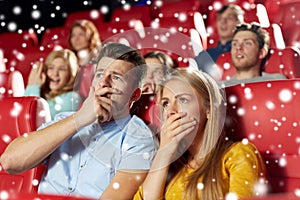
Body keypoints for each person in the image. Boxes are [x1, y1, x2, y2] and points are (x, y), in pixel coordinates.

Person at [1, 42, 156, 199]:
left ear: (135, 95)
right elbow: (9, 162)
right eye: (100, 74)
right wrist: (79, 119)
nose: (104, 83)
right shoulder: (65, 120)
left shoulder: (140, 139)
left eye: (116, 77)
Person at [134, 68, 268, 199]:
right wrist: (163, 153)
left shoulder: (238, 154)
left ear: (208, 110)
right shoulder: (168, 165)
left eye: (182, 100)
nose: (170, 111)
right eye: (166, 103)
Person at [222, 22, 287, 87]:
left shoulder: (277, 81)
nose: (238, 47)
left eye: (247, 43)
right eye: (235, 44)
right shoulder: (218, 88)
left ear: (262, 53)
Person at [24, 49, 82, 119]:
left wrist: (33, 86)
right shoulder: (42, 93)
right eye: (51, 68)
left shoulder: (72, 98)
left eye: (62, 69)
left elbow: (38, 120)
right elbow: (23, 114)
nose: (55, 74)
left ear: (71, 74)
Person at [195, 4, 244, 74]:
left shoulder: (245, 52)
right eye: (220, 19)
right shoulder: (204, 55)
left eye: (229, 18)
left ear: (239, 23)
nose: (223, 22)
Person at [68, 19, 102, 100]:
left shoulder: (99, 61)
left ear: (90, 37)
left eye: (81, 34)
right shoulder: (69, 61)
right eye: (73, 35)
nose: (76, 39)